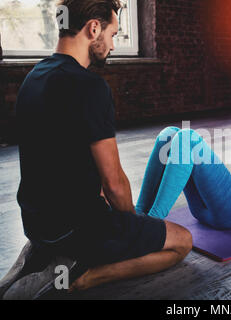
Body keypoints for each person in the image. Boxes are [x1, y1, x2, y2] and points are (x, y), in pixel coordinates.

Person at [15, 0, 192, 294]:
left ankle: (50, 253)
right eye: (113, 35)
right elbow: (114, 184)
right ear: (93, 28)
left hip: (35, 225)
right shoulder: (89, 86)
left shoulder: (33, 78)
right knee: (183, 241)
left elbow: (59, 160)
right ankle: (85, 276)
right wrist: (134, 226)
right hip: (77, 231)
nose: (112, 45)